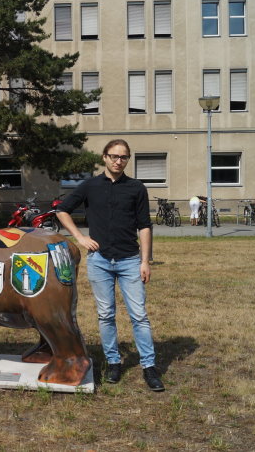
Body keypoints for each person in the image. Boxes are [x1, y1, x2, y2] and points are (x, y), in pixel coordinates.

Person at [55, 139, 165, 392]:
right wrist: (80, 237)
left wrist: (145, 261)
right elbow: (62, 210)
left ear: (127, 159)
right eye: (114, 156)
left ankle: (149, 367)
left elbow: (145, 226)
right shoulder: (90, 185)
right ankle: (114, 362)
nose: (119, 161)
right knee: (106, 315)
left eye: (124, 157)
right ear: (104, 157)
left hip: (129, 261)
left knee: (139, 316)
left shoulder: (136, 188)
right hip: (100, 261)